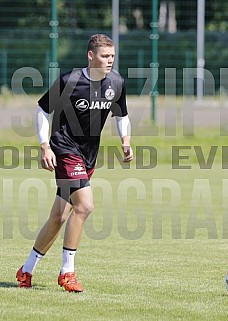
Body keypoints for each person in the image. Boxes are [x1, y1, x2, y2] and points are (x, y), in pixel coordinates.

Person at [16, 34, 133, 292]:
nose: (109, 61)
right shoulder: (69, 81)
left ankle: (26, 269)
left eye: (112, 56)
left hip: (88, 155)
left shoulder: (116, 82)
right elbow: (43, 111)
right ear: (91, 56)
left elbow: (122, 115)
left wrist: (126, 140)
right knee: (85, 205)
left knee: (58, 217)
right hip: (65, 147)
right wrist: (45, 145)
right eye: (104, 56)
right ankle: (67, 272)